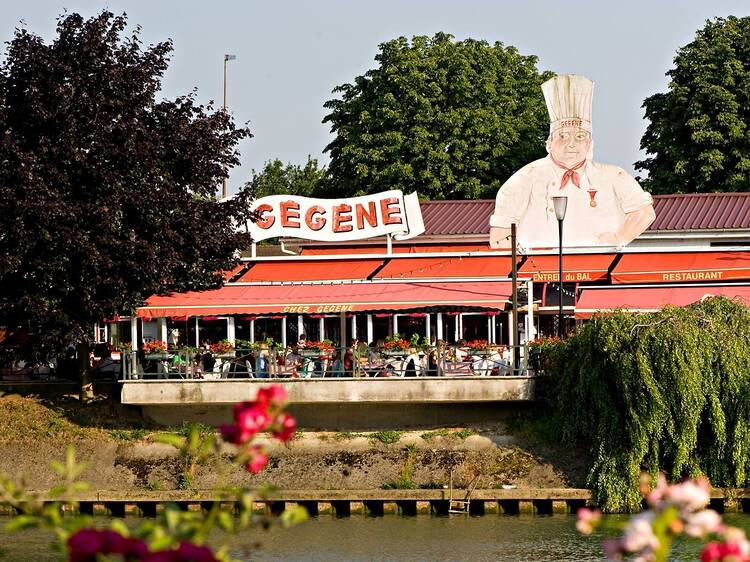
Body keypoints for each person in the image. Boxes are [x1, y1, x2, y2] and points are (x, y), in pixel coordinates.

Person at [489, 75, 655, 250]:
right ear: (548, 143)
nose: (571, 143)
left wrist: (618, 237)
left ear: (590, 144)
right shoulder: (525, 178)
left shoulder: (613, 175)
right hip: (539, 267)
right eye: (563, 136)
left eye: (580, 137)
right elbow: (500, 235)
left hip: (599, 265)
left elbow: (644, 212)